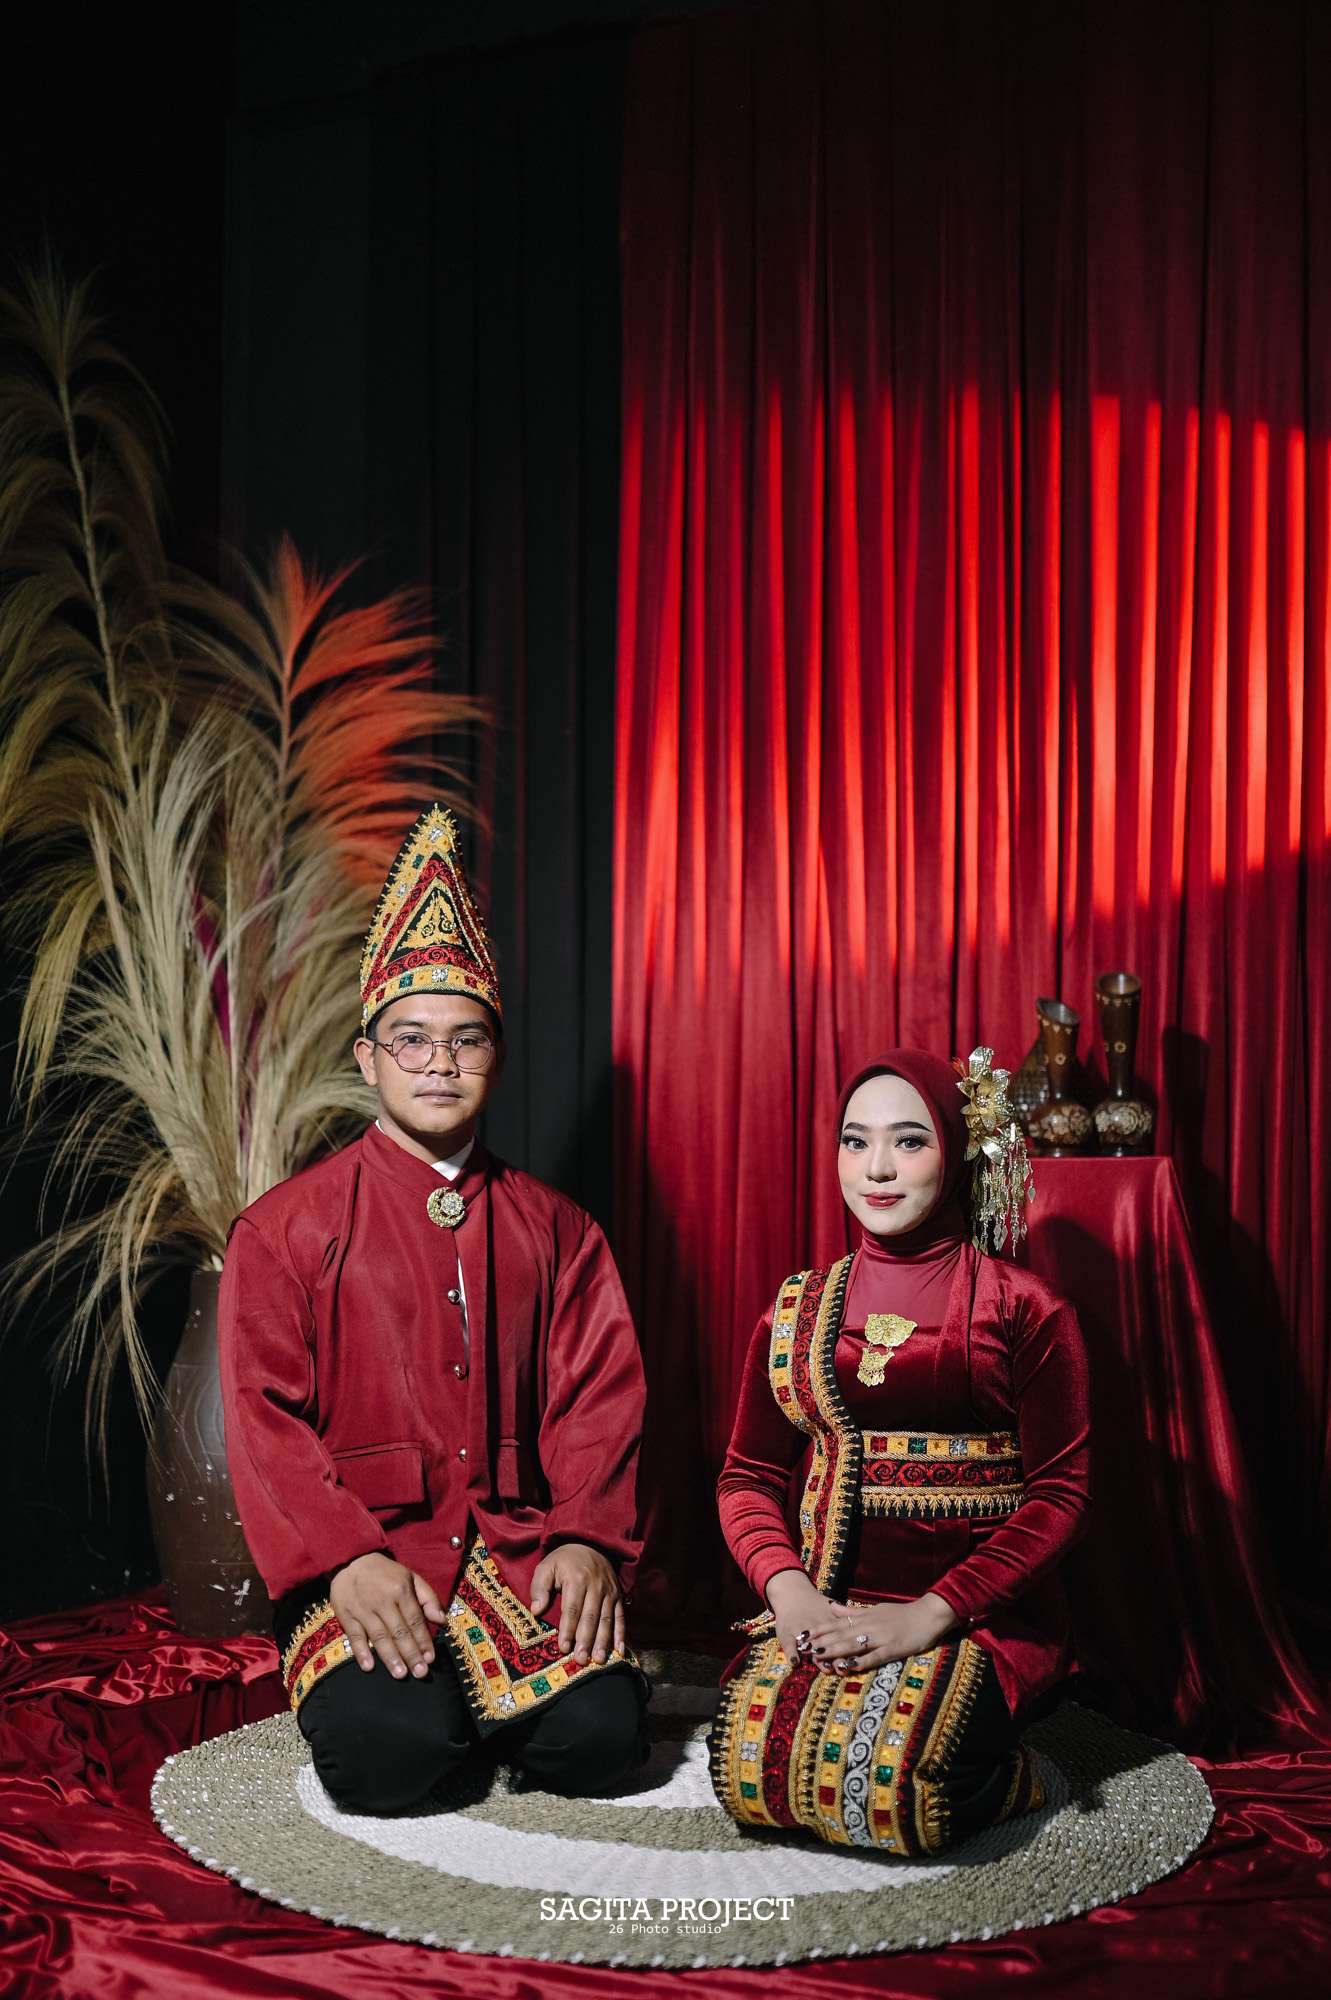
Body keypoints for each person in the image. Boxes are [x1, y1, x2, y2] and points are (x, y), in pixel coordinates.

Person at [218, 804, 648, 1814]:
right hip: (366, 1553)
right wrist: (344, 1560)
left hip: (513, 1549)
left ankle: (481, 1698)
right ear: (367, 1057)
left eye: (465, 1040)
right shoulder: (283, 1228)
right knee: (390, 1760)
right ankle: (427, 1699)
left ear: (496, 1054)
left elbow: (599, 1399)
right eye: (410, 1040)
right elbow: (262, 1418)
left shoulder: (560, 1227)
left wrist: (583, 1537)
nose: (439, 1063)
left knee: (602, 1742)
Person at [711, 1047, 1091, 1855]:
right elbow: (747, 1476)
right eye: (855, 1141)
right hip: (826, 1607)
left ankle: (1015, 1766)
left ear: (956, 1152)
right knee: (748, 1774)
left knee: (900, 1794)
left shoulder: (1023, 1307)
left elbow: (1060, 1496)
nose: (876, 1168)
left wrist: (927, 1615)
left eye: (908, 1141)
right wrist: (789, 1594)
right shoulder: (795, 1308)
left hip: (976, 1617)